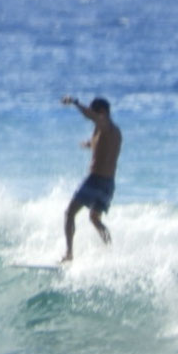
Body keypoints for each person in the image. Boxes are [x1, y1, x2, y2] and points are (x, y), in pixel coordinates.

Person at [61, 94, 122, 262]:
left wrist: (75, 102)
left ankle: (69, 254)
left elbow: (92, 116)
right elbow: (102, 146)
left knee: (70, 213)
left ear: (102, 112)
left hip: (96, 180)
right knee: (95, 219)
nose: (92, 118)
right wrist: (89, 144)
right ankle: (111, 252)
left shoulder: (105, 124)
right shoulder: (113, 131)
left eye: (95, 113)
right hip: (108, 185)